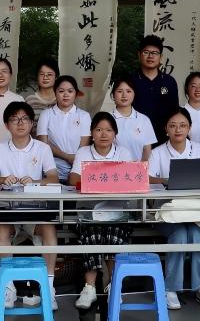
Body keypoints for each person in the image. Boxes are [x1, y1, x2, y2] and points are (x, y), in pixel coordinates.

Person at [0, 102, 60, 310]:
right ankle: (8, 287)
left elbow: (54, 178)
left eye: (25, 118)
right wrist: (2, 180)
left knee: (49, 229)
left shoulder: (42, 148)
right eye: (14, 119)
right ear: (6, 125)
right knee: (1, 230)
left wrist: (36, 182)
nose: (20, 123)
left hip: (35, 209)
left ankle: (48, 288)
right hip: (8, 209)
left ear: (32, 123)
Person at [147, 108, 200, 310]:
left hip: (194, 212)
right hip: (167, 213)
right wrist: (169, 181)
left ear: (189, 128)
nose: (178, 129)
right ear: (166, 129)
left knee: (197, 236)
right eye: (173, 125)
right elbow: (148, 178)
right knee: (179, 234)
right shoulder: (157, 153)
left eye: (183, 125)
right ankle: (171, 288)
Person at [68, 112, 135, 309]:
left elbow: (131, 179)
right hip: (88, 209)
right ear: (92, 133)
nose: (103, 134)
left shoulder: (123, 153)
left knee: (113, 233)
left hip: (118, 210)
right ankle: (89, 288)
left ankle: (114, 284)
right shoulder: (83, 152)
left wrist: (95, 181)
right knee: (93, 233)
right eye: (98, 130)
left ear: (115, 133)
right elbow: (73, 179)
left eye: (108, 130)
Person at [36, 75, 91, 182]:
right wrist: (67, 157)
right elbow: (44, 144)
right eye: (61, 91)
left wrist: (75, 161)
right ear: (55, 92)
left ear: (75, 93)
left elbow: (83, 147)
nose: (66, 95)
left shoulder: (84, 116)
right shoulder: (46, 114)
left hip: (76, 171)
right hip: (51, 172)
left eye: (70, 91)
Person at [131, 35, 179, 144]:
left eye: (155, 53)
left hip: (164, 141)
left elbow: (174, 112)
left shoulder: (169, 82)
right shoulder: (130, 81)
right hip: (136, 139)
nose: (150, 56)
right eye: (146, 52)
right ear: (139, 55)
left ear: (161, 57)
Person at [110, 76, 156, 161]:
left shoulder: (144, 120)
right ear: (113, 95)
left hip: (138, 168)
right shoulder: (107, 119)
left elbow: (147, 150)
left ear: (134, 94)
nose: (124, 95)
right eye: (119, 91)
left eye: (128, 91)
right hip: (113, 168)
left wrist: (139, 167)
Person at [25, 58, 59, 132]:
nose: (45, 77)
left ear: (56, 77)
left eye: (49, 74)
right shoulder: (30, 100)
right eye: (42, 74)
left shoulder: (62, 99)